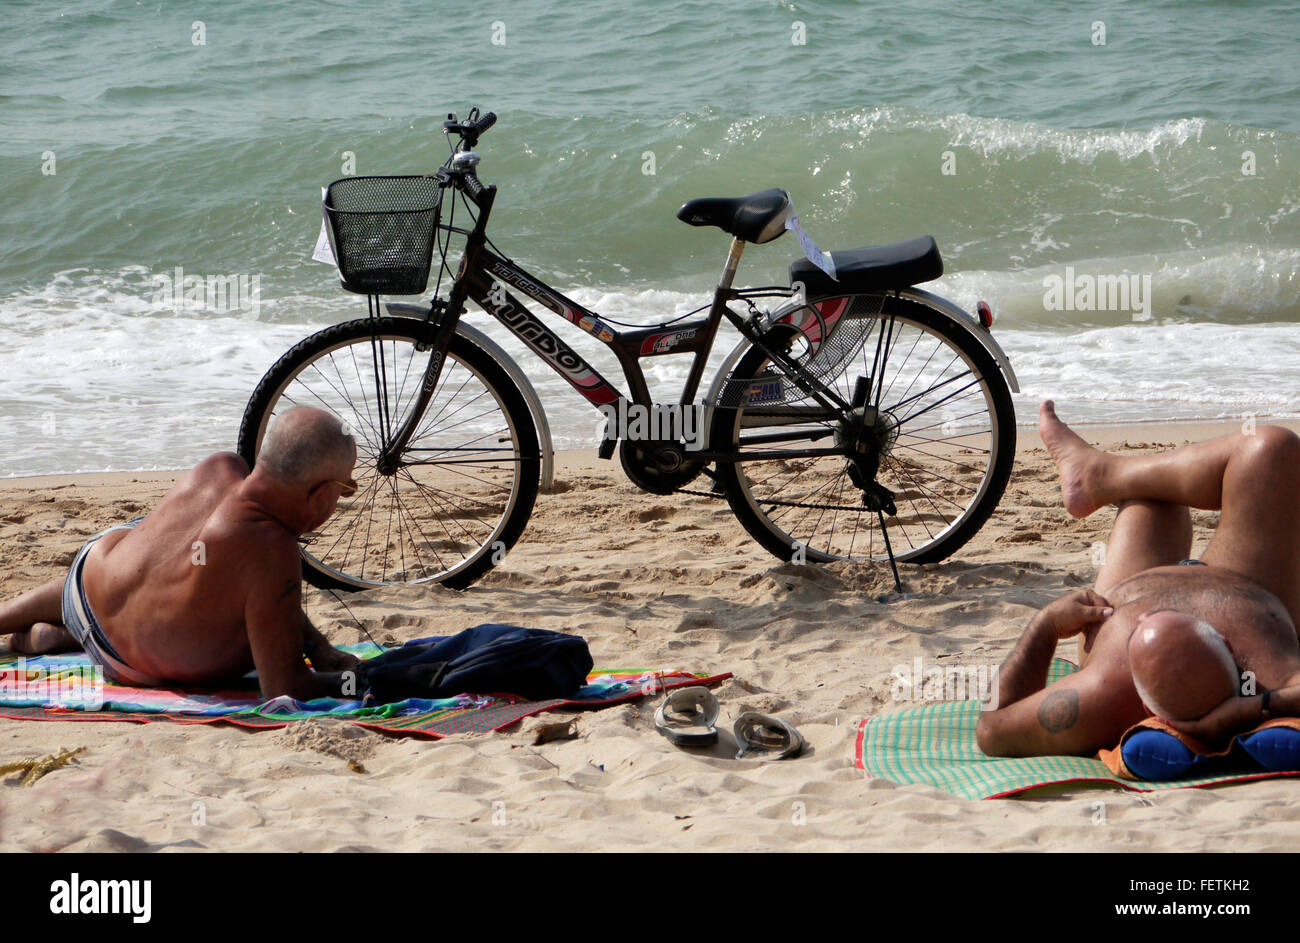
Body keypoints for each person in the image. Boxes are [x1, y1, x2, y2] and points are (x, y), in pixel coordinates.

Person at [976, 401, 1300, 757]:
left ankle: (1097, 475)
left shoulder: (1103, 694)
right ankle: (1100, 474)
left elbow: (993, 728)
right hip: (1244, 581)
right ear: (1226, 643)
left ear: (1146, 712)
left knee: (1153, 501)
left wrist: (1046, 624)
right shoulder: (1270, 671)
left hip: (1135, 582)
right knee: (1274, 449)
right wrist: (1258, 708)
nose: (1151, 615)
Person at [0, 406, 362, 700]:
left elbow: (253, 579)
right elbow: (284, 689)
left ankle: (40, 627)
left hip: (85, 583)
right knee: (232, 577)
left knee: (164, 555)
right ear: (318, 494)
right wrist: (362, 682)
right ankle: (50, 637)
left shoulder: (221, 466)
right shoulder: (272, 549)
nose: (343, 497)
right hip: (122, 661)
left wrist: (319, 648)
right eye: (345, 488)